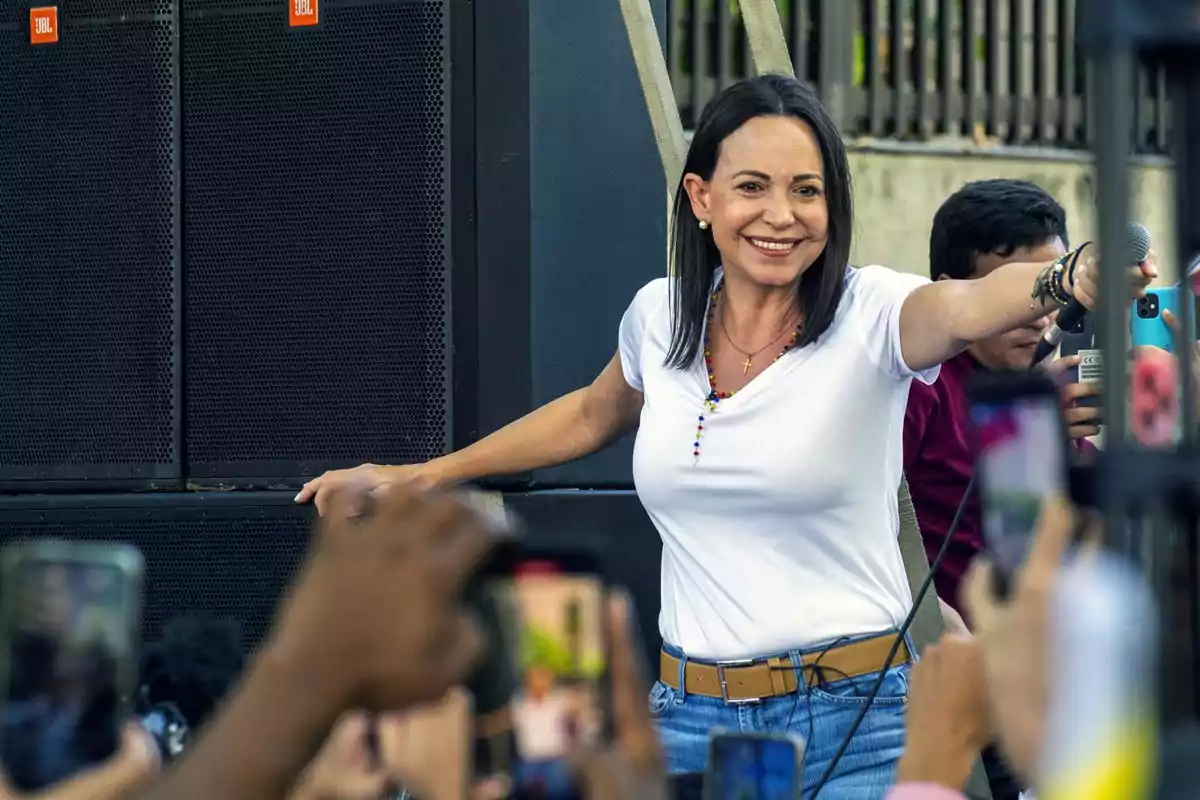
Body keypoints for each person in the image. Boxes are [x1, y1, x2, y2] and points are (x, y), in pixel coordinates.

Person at [295, 75, 1151, 796]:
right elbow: (592, 414)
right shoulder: (658, 314)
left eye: (807, 190)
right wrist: (418, 475)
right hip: (688, 722)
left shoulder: (873, 310)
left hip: (858, 723)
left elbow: (967, 305)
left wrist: (1064, 276)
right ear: (701, 199)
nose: (782, 215)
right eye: (753, 187)